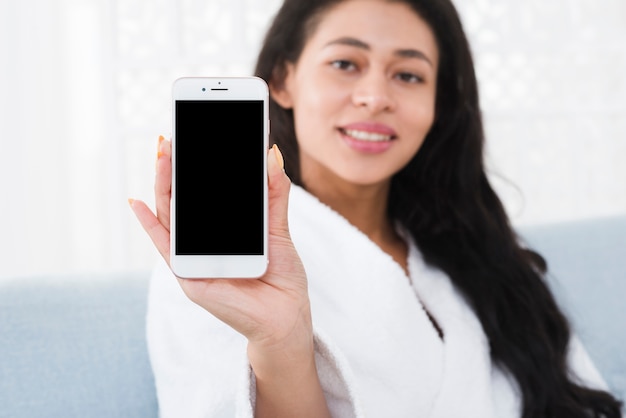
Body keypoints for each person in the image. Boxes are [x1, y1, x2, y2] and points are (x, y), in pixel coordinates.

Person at [129, 0, 624, 416]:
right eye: (345, 64)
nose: (374, 98)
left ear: (438, 103)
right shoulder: (215, 266)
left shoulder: (487, 252)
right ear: (282, 80)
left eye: (408, 75)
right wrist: (281, 344)